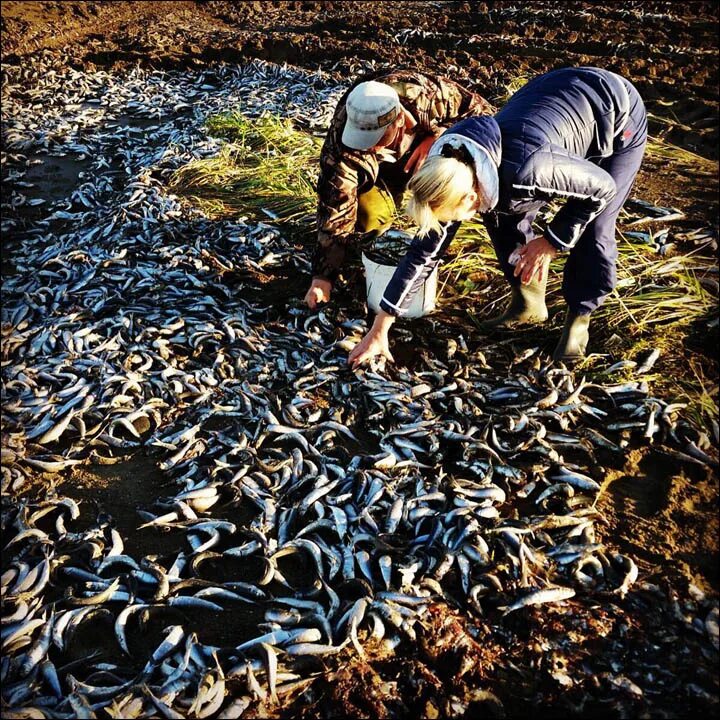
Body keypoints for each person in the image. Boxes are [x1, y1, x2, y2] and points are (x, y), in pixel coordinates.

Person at [348, 66, 647, 367]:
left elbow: (602, 189)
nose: (453, 224)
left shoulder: (530, 171)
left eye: (457, 215)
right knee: (500, 215)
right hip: (552, 95)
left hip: (614, 110)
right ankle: (528, 304)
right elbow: (424, 253)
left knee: (595, 228)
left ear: (468, 197)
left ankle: (579, 320)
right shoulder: (452, 162)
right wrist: (380, 328)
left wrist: (552, 241)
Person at [304, 71, 494, 309]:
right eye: (362, 140)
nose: (369, 148)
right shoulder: (342, 142)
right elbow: (335, 206)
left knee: (443, 203)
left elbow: (485, 116)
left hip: (433, 160)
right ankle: (382, 249)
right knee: (367, 216)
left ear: (400, 121)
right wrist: (322, 277)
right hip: (383, 173)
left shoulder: (428, 97)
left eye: (376, 139)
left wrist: (440, 136)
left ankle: (433, 245)